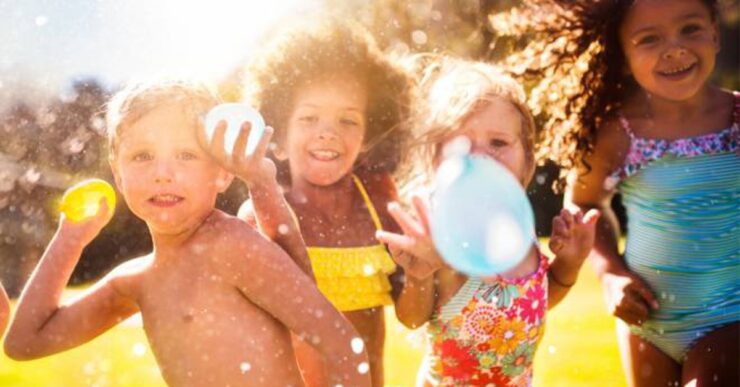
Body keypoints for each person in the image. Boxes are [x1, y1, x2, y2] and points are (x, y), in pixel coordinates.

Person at [3, 80, 371, 387]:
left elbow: (340, 341)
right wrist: (70, 240)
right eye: (143, 156)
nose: (163, 173)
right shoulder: (136, 281)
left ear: (223, 172)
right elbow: (24, 343)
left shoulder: (231, 245)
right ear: (118, 174)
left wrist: (262, 184)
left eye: (186, 155)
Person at [508, 1, 739, 385]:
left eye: (690, 29)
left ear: (714, 32)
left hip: (730, 318)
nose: (675, 49)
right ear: (622, 53)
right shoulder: (617, 133)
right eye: (649, 39)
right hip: (645, 322)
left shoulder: (735, 117)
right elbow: (584, 205)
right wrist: (611, 274)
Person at [376, 56, 599, 386]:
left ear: (527, 159)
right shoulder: (440, 235)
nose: (480, 158)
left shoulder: (521, 236)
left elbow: (537, 302)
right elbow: (412, 319)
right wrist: (420, 274)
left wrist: (570, 263)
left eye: (498, 143)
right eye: (460, 146)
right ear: (436, 160)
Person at [216, 17, 414, 387]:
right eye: (309, 117)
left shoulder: (380, 200)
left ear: (369, 133)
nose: (328, 132)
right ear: (277, 133)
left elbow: (414, 312)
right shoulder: (259, 215)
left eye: (348, 120)